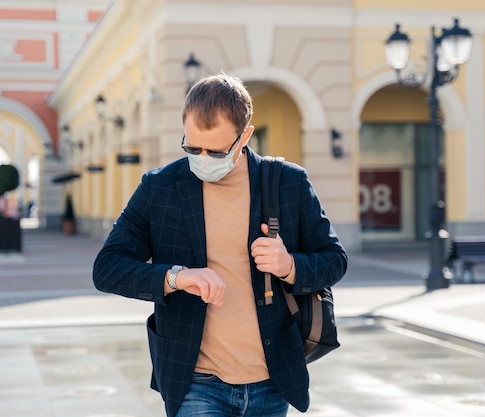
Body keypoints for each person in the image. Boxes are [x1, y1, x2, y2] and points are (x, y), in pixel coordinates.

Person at [93, 72, 347, 417]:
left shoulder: (288, 182)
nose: (201, 158)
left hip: (273, 378)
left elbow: (334, 260)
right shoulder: (159, 188)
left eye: (214, 151)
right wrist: (176, 278)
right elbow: (107, 269)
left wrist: (290, 266)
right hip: (195, 380)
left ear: (244, 136)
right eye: (191, 147)